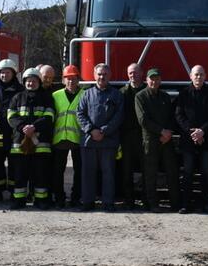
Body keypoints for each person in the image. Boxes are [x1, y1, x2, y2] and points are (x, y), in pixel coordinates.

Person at [76, 63, 124, 212]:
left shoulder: (117, 95)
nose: (101, 77)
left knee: (108, 173)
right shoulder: (86, 94)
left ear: (109, 76)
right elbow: (80, 114)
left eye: (104, 74)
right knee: (88, 173)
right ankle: (88, 201)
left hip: (108, 141)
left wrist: (104, 131)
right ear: (94, 75)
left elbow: (119, 116)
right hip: (89, 141)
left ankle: (108, 202)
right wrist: (91, 130)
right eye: (99, 74)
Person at [7, 68, 55, 210]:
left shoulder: (47, 97)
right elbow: (11, 117)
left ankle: (40, 200)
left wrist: (34, 127)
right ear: (24, 82)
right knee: (19, 174)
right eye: (28, 81)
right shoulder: (17, 97)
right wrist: (24, 128)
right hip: (20, 144)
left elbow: (49, 117)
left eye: (34, 81)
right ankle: (19, 201)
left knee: (40, 174)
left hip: (41, 144)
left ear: (39, 82)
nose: (31, 83)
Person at [174, 65, 208, 213]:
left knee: (206, 173)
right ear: (190, 76)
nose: (198, 77)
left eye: (201, 74)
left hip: (206, 140)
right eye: (196, 75)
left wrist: (202, 131)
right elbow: (179, 116)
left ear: (205, 76)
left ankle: (206, 203)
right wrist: (192, 132)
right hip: (188, 141)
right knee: (187, 173)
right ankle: (186, 203)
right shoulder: (183, 94)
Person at [136, 68, 180, 212]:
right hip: (150, 140)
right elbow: (143, 120)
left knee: (172, 171)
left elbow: (172, 116)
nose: (154, 81)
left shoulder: (165, 97)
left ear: (160, 80)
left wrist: (168, 133)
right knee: (150, 174)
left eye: (156, 78)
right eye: (151, 78)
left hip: (166, 140)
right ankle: (152, 204)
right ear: (147, 80)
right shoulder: (140, 97)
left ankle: (175, 203)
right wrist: (161, 131)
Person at [0, 58, 23, 201]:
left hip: (15, 135)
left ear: (13, 73)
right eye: (1, 72)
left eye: (7, 72)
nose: (4, 75)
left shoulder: (21, 91)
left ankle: (15, 192)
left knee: (15, 165)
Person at [51, 65, 85, 208]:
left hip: (78, 139)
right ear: (64, 80)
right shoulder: (56, 95)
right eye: (68, 78)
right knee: (58, 171)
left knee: (79, 171)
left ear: (78, 79)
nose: (71, 81)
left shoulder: (85, 95)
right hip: (59, 139)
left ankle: (75, 197)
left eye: (73, 78)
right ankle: (59, 198)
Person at [118, 62, 145, 209]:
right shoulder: (122, 92)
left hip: (143, 136)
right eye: (130, 73)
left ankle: (146, 199)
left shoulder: (147, 91)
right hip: (127, 136)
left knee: (146, 169)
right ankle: (129, 201)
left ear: (141, 73)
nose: (133, 75)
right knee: (126, 170)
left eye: (135, 72)